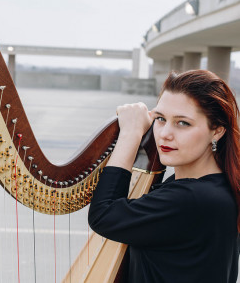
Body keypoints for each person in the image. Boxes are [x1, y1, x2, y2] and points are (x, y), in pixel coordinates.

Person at [88, 69, 240, 283]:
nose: (164, 134)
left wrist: (130, 134)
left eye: (182, 123)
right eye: (160, 119)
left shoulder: (192, 199)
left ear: (216, 131)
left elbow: (103, 215)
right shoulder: (219, 184)